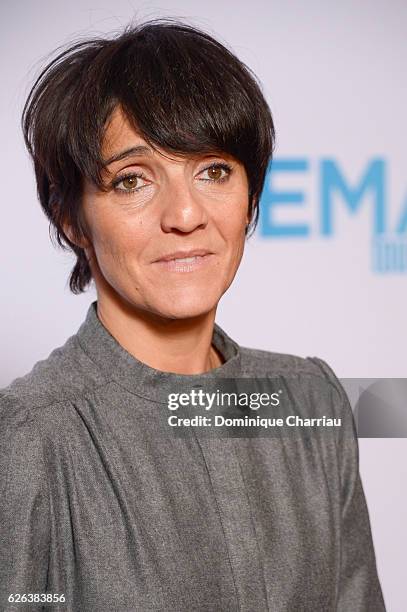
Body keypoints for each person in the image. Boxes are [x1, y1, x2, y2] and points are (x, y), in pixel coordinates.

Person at [0, 18, 385, 612]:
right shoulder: (29, 437)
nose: (185, 214)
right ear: (70, 217)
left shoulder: (311, 402)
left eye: (213, 171)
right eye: (132, 180)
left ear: (251, 193)